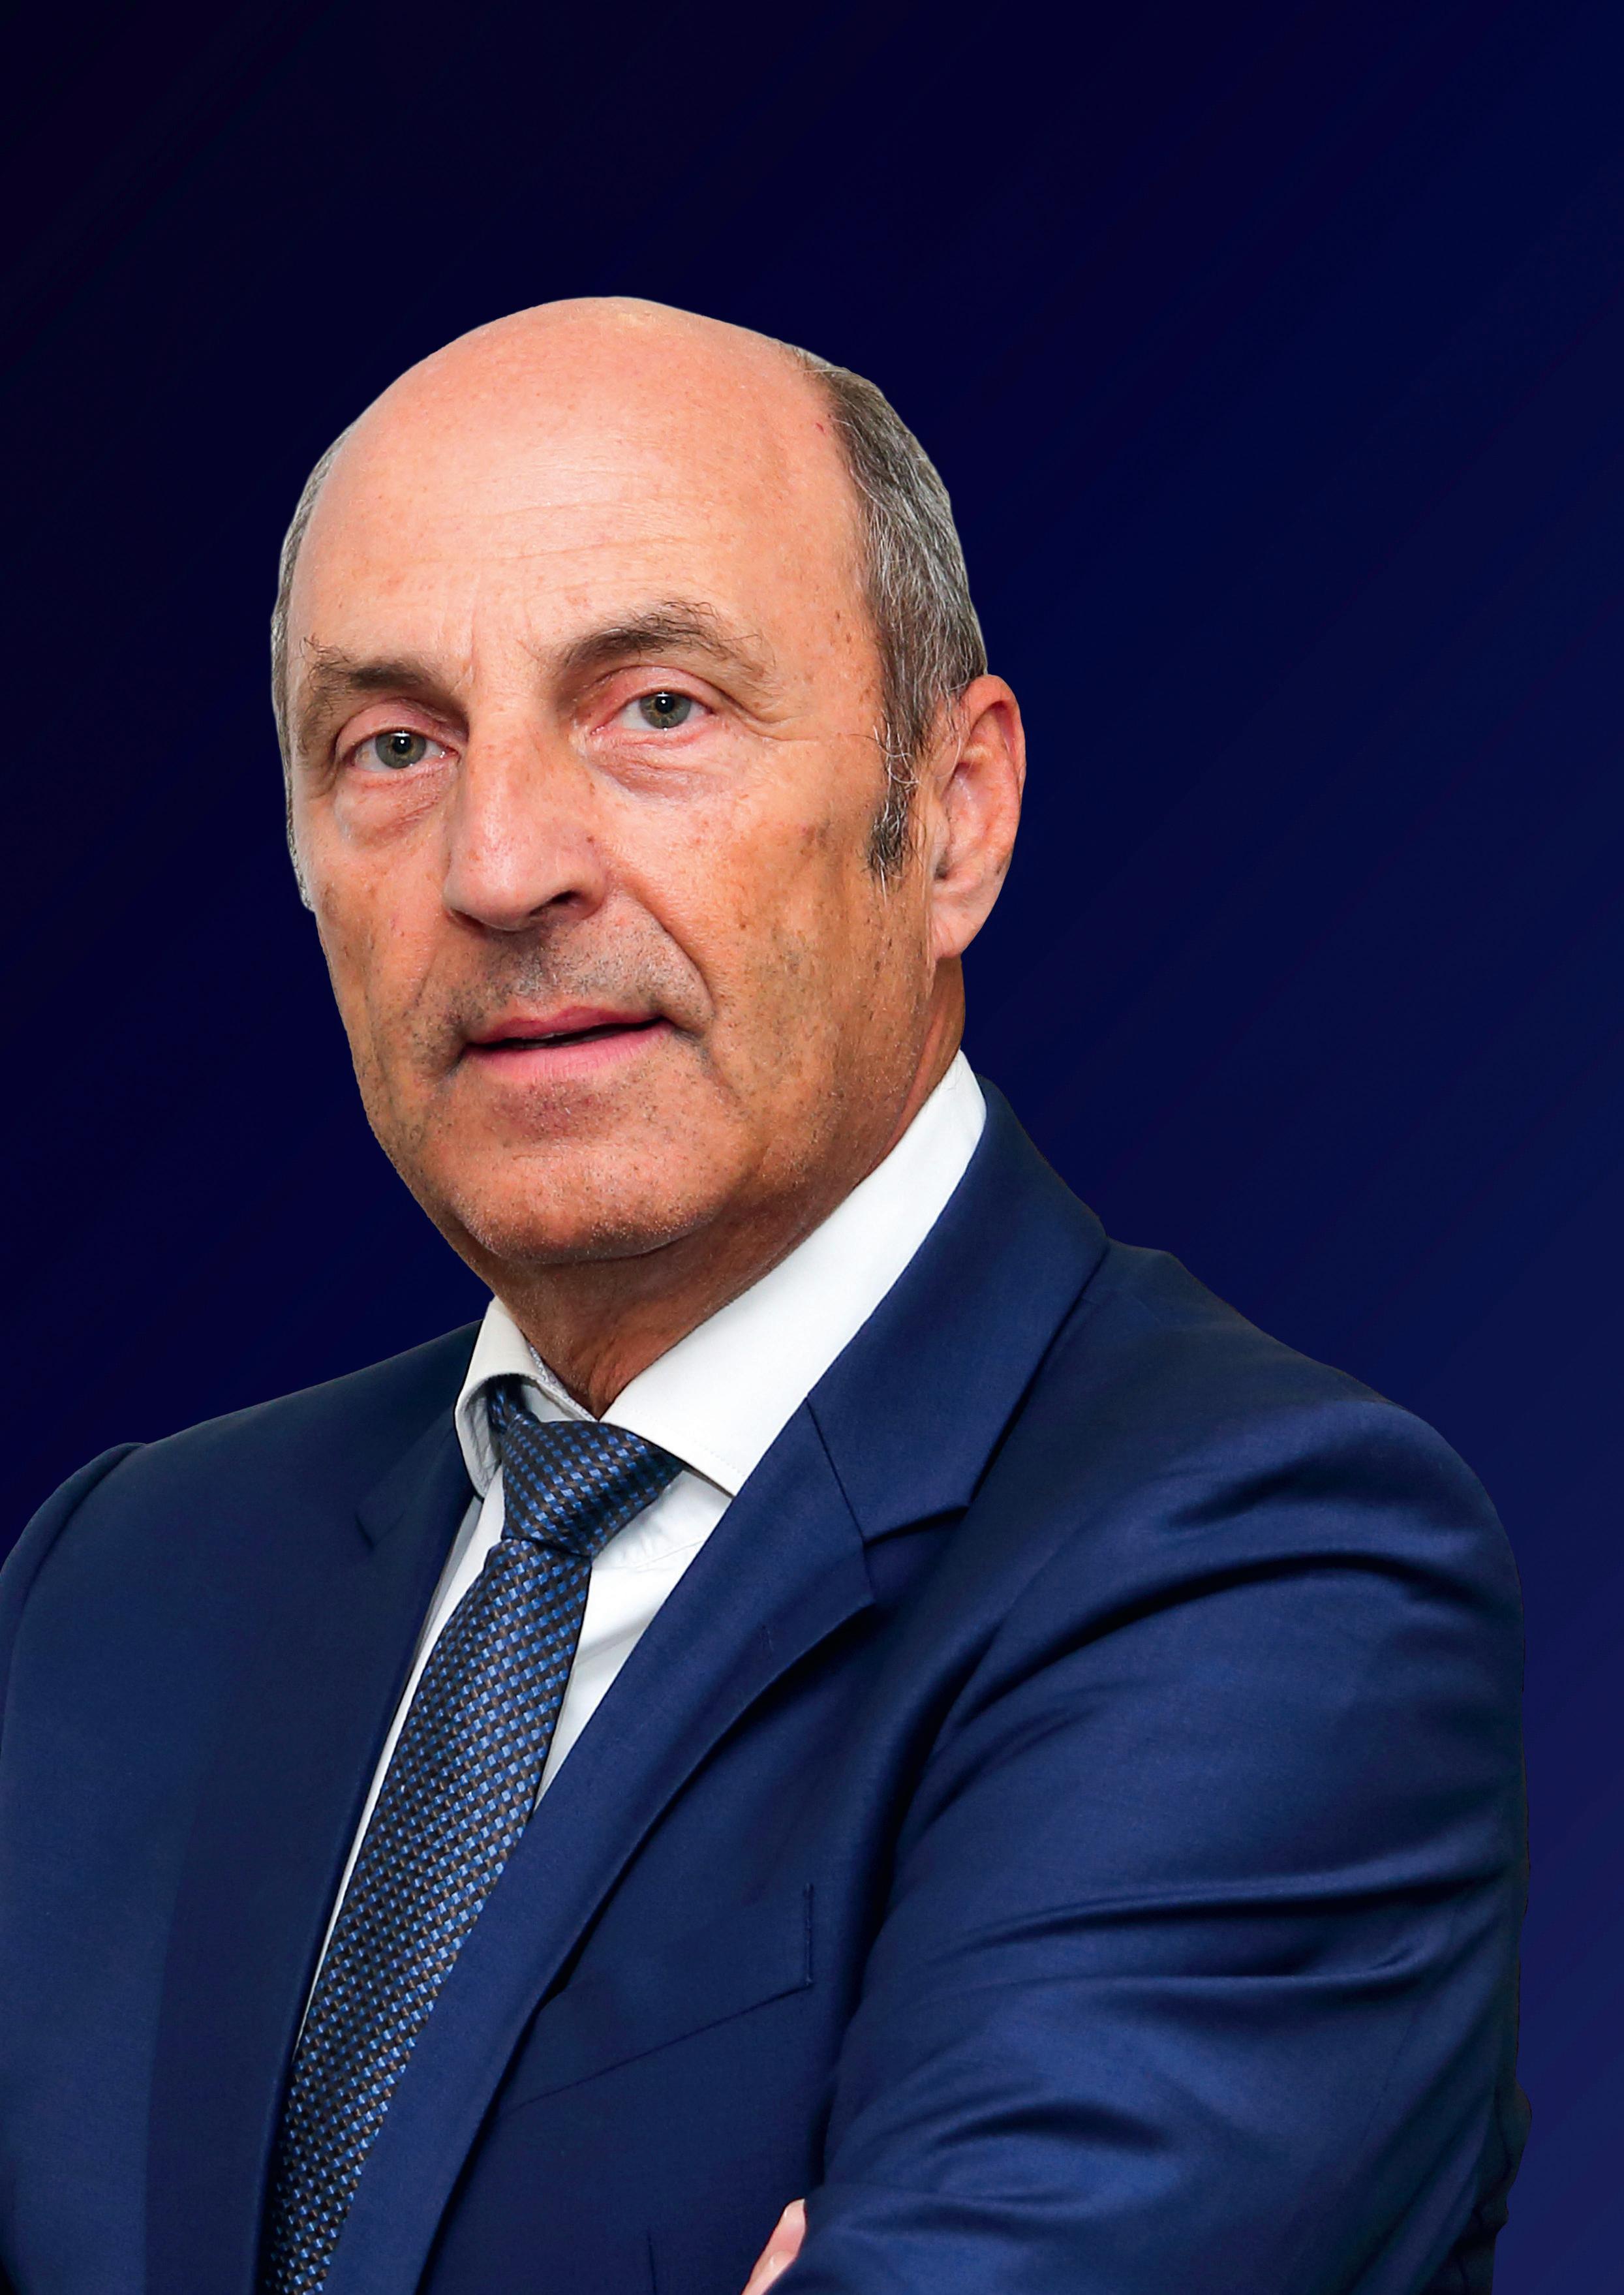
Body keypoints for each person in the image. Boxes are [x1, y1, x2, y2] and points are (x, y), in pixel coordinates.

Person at [0, 299, 1526, 2295]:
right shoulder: (117, 1584)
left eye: (657, 708)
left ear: (953, 812)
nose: (502, 864)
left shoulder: (1268, 1589)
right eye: (394, 745)